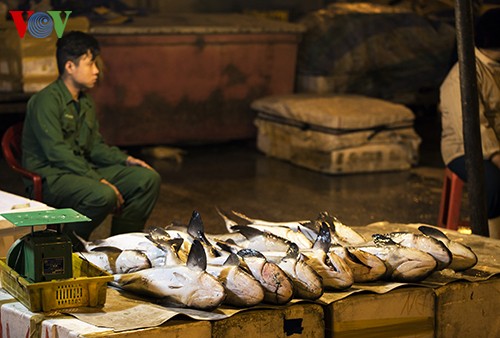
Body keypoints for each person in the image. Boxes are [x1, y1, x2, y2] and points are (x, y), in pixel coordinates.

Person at [22, 31, 161, 247]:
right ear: (70, 67)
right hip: (52, 176)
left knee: (147, 179)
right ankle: (68, 246)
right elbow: (56, 152)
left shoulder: (84, 102)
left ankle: (121, 246)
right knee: (102, 194)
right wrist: (96, 179)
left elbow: (94, 146)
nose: (96, 71)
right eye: (90, 64)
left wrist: (125, 160)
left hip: (80, 170)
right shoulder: (45, 101)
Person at [440, 8, 500, 239]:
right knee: (493, 184)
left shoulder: (494, 68)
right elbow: (473, 127)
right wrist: (496, 155)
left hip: (495, 147)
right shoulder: (463, 75)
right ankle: (492, 245)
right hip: (465, 149)